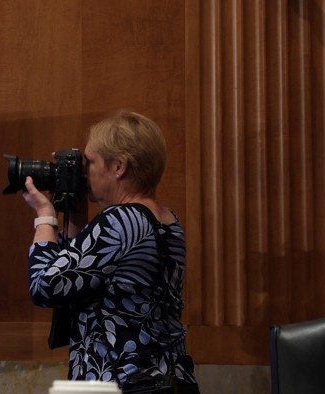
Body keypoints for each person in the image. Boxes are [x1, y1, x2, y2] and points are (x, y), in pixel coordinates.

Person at [22, 111, 199, 393]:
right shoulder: (167, 220)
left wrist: (45, 214)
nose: (85, 171)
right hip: (166, 380)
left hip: (125, 384)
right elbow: (78, 279)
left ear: (119, 166)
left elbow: (45, 285)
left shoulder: (120, 222)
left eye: (90, 162)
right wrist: (76, 213)